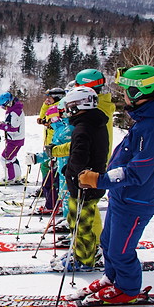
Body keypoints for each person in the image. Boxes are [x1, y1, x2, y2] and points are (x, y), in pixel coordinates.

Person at [77, 65, 154, 304]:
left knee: (121, 251)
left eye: (126, 91)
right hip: (123, 197)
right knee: (108, 243)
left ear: (139, 92)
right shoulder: (145, 120)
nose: (123, 96)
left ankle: (128, 290)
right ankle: (112, 278)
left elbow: (139, 171)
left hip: (136, 201)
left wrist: (100, 180)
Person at [52, 86, 109, 271]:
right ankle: (83, 252)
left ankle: (84, 259)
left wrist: (69, 170)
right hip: (93, 180)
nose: (68, 111)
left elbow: (79, 157)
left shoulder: (83, 128)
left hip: (83, 183)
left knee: (80, 223)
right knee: (80, 220)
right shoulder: (96, 123)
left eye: (70, 107)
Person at [35, 87, 65, 209]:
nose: (48, 99)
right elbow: (42, 119)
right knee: (47, 168)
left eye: (50, 97)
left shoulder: (59, 108)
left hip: (56, 144)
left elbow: (46, 120)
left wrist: (46, 120)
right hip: (50, 142)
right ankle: (47, 192)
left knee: (50, 170)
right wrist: (44, 106)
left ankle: (52, 196)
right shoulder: (52, 107)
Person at [0, 92, 25, 184]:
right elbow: (11, 123)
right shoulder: (13, 109)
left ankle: (11, 178)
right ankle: (17, 177)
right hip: (14, 139)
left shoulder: (15, 112)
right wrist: (2, 123)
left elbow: (13, 128)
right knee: (12, 158)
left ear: (8, 103)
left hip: (15, 140)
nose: (3, 108)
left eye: (3, 106)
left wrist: (0, 126)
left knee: (5, 158)